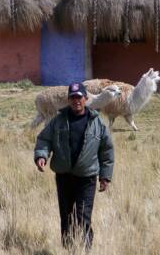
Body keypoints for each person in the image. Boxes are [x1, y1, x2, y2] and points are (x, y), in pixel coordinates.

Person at [34, 82, 114, 250]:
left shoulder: (97, 123)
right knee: (67, 216)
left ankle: (85, 250)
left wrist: (105, 176)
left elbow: (106, 150)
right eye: (72, 98)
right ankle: (68, 249)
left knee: (83, 216)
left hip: (87, 178)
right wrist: (42, 155)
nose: (76, 100)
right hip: (64, 177)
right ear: (69, 100)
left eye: (79, 97)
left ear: (85, 98)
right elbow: (44, 139)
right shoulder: (58, 120)